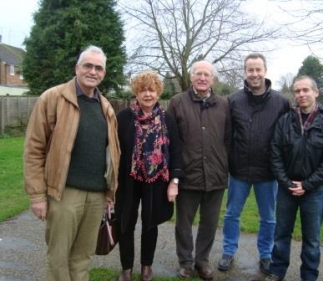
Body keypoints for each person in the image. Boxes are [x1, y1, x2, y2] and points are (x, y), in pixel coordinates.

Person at [23, 45, 120, 281]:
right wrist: (37, 196)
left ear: (103, 73)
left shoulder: (105, 107)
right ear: (77, 68)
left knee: (82, 259)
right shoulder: (53, 98)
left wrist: (110, 192)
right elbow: (34, 149)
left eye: (98, 68)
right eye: (88, 65)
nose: (93, 71)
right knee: (58, 259)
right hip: (64, 193)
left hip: (96, 196)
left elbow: (111, 153)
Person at [218, 53, 290, 273]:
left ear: (265, 71)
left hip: (268, 172)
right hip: (239, 170)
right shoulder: (233, 100)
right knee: (231, 214)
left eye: (258, 69)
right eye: (250, 69)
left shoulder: (281, 102)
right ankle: (228, 252)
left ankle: (266, 255)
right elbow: (226, 134)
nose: (255, 74)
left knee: (268, 218)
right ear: (245, 72)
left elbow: (287, 137)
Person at [265, 76, 323, 281]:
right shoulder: (285, 120)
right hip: (286, 188)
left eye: (305, 90)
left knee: (312, 239)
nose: (301, 95)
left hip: (313, 191)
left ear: (316, 92)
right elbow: (275, 154)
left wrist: (307, 185)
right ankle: (277, 271)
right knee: (281, 234)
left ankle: (309, 275)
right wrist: (287, 182)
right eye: (297, 91)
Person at [115, 71, 183, 281]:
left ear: (157, 92)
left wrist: (174, 182)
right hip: (128, 180)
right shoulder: (124, 117)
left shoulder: (166, 119)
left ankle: (146, 266)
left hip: (156, 181)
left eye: (151, 90)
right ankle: (126, 268)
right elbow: (113, 150)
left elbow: (177, 153)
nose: (147, 94)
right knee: (125, 222)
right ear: (136, 92)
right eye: (143, 89)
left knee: (150, 222)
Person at [167, 60, 231, 281]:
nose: (202, 78)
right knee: (184, 223)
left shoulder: (223, 105)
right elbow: (171, 141)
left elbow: (228, 139)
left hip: (216, 175)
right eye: (198, 74)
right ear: (192, 76)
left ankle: (202, 261)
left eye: (207, 74)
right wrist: (174, 174)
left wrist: (224, 165)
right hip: (188, 174)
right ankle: (185, 262)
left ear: (213, 79)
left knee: (209, 223)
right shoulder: (177, 102)